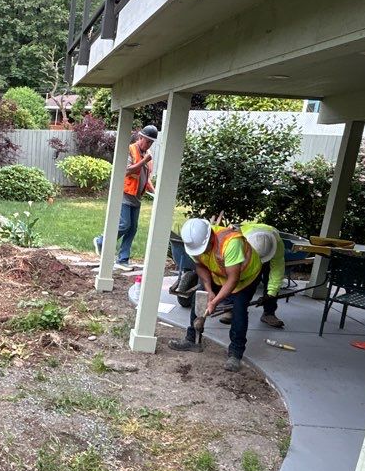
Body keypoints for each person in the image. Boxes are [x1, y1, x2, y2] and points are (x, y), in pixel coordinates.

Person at [168, 219, 282, 370]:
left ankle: (235, 353)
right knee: (199, 297)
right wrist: (209, 291)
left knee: (239, 309)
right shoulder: (194, 243)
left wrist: (215, 302)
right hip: (219, 273)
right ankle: (192, 340)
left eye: (203, 249)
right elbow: (200, 266)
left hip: (245, 278)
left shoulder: (230, 243)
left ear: (210, 238)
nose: (201, 252)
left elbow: (233, 279)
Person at [93, 125, 160, 266]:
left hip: (136, 197)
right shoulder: (130, 150)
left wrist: (156, 193)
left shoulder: (147, 155)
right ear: (140, 137)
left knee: (132, 228)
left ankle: (123, 259)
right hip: (125, 193)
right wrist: (144, 161)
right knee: (124, 225)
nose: (148, 144)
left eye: (151, 142)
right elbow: (127, 171)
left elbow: (146, 178)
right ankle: (101, 241)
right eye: (147, 141)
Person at [219, 220, 287, 330]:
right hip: (248, 253)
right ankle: (230, 308)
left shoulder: (277, 243)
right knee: (240, 276)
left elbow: (277, 271)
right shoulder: (238, 238)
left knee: (271, 279)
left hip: (264, 252)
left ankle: (269, 313)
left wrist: (271, 293)